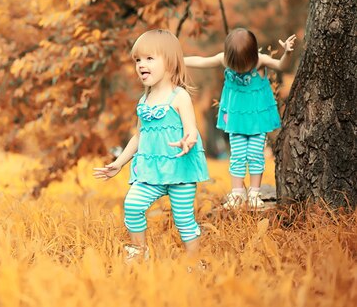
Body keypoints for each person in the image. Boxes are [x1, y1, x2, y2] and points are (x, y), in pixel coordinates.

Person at [94, 29, 209, 263]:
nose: (141, 65)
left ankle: (194, 263)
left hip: (180, 171)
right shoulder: (143, 101)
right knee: (133, 204)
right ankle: (139, 252)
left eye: (149, 59)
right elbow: (138, 137)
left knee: (184, 219)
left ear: (169, 62)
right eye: (138, 60)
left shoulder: (180, 97)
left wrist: (188, 141)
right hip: (151, 171)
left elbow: (191, 130)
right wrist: (118, 163)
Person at [184, 28, 297, 209]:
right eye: (234, 65)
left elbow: (282, 65)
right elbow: (201, 61)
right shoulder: (225, 60)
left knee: (255, 155)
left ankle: (254, 192)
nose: (237, 69)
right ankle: (237, 193)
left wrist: (288, 52)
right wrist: (178, 61)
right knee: (236, 155)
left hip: (257, 120)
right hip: (236, 120)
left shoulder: (260, 62)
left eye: (242, 65)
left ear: (252, 57)